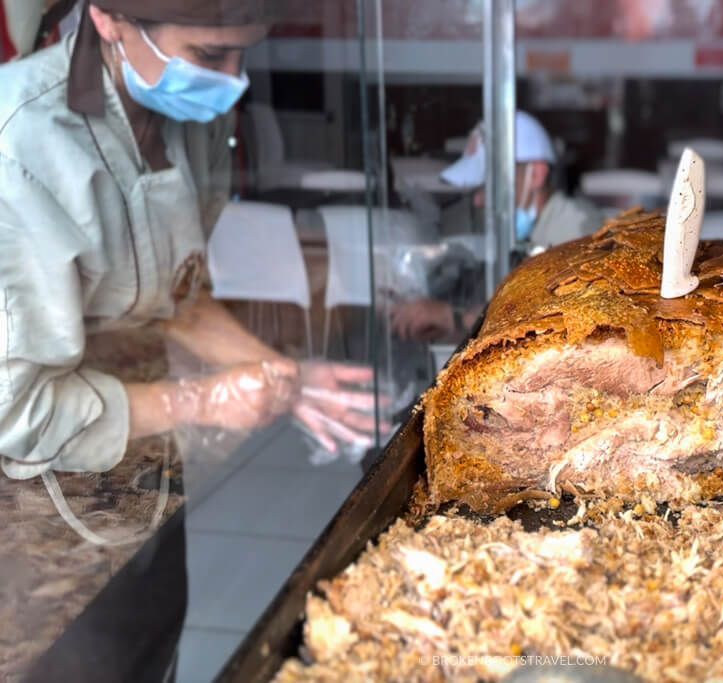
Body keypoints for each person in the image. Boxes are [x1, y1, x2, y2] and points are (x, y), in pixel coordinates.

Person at [0, 2, 376, 679]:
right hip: (30, 510)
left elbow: (172, 294)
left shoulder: (192, 120)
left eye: (244, 55)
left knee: (149, 634)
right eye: (209, 57)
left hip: (139, 480)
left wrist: (278, 371)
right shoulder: (19, 149)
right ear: (110, 20)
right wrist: (200, 400)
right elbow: (17, 410)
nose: (233, 83)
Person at [390, 111, 604, 342]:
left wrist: (452, 317)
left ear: (536, 176)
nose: (478, 200)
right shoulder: (523, 236)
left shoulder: (575, 229)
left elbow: (550, 319)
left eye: (489, 185)